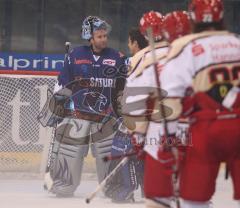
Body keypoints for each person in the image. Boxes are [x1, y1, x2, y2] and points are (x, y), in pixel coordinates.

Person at [159, 0, 240, 207]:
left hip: (206, 128)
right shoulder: (237, 42)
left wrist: (169, 138)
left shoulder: (187, 47)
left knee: (194, 199)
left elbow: (171, 97)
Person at [44, 16, 127, 197]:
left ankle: (114, 188)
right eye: (99, 36)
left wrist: (122, 115)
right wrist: (57, 108)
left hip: (106, 117)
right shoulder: (75, 55)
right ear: (89, 37)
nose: (104, 39)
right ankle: (63, 185)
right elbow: (62, 84)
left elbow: (122, 90)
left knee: (108, 153)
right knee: (70, 151)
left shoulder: (117, 57)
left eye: (105, 35)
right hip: (77, 115)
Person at [121, 10, 191, 208]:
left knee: (158, 198)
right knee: (194, 196)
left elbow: (134, 102)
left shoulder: (143, 59)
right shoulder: (191, 54)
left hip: (159, 136)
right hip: (190, 134)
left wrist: (137, 135)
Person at [104, 27, 148, 203]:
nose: (128, 45)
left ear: (135, 43)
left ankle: (125, 190)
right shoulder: (153, 56)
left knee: (122, 149)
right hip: (148, 115)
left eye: (129, 42)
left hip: (138, 115)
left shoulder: (138, 58)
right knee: (144, 153)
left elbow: (132, 89)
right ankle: (149, 189)